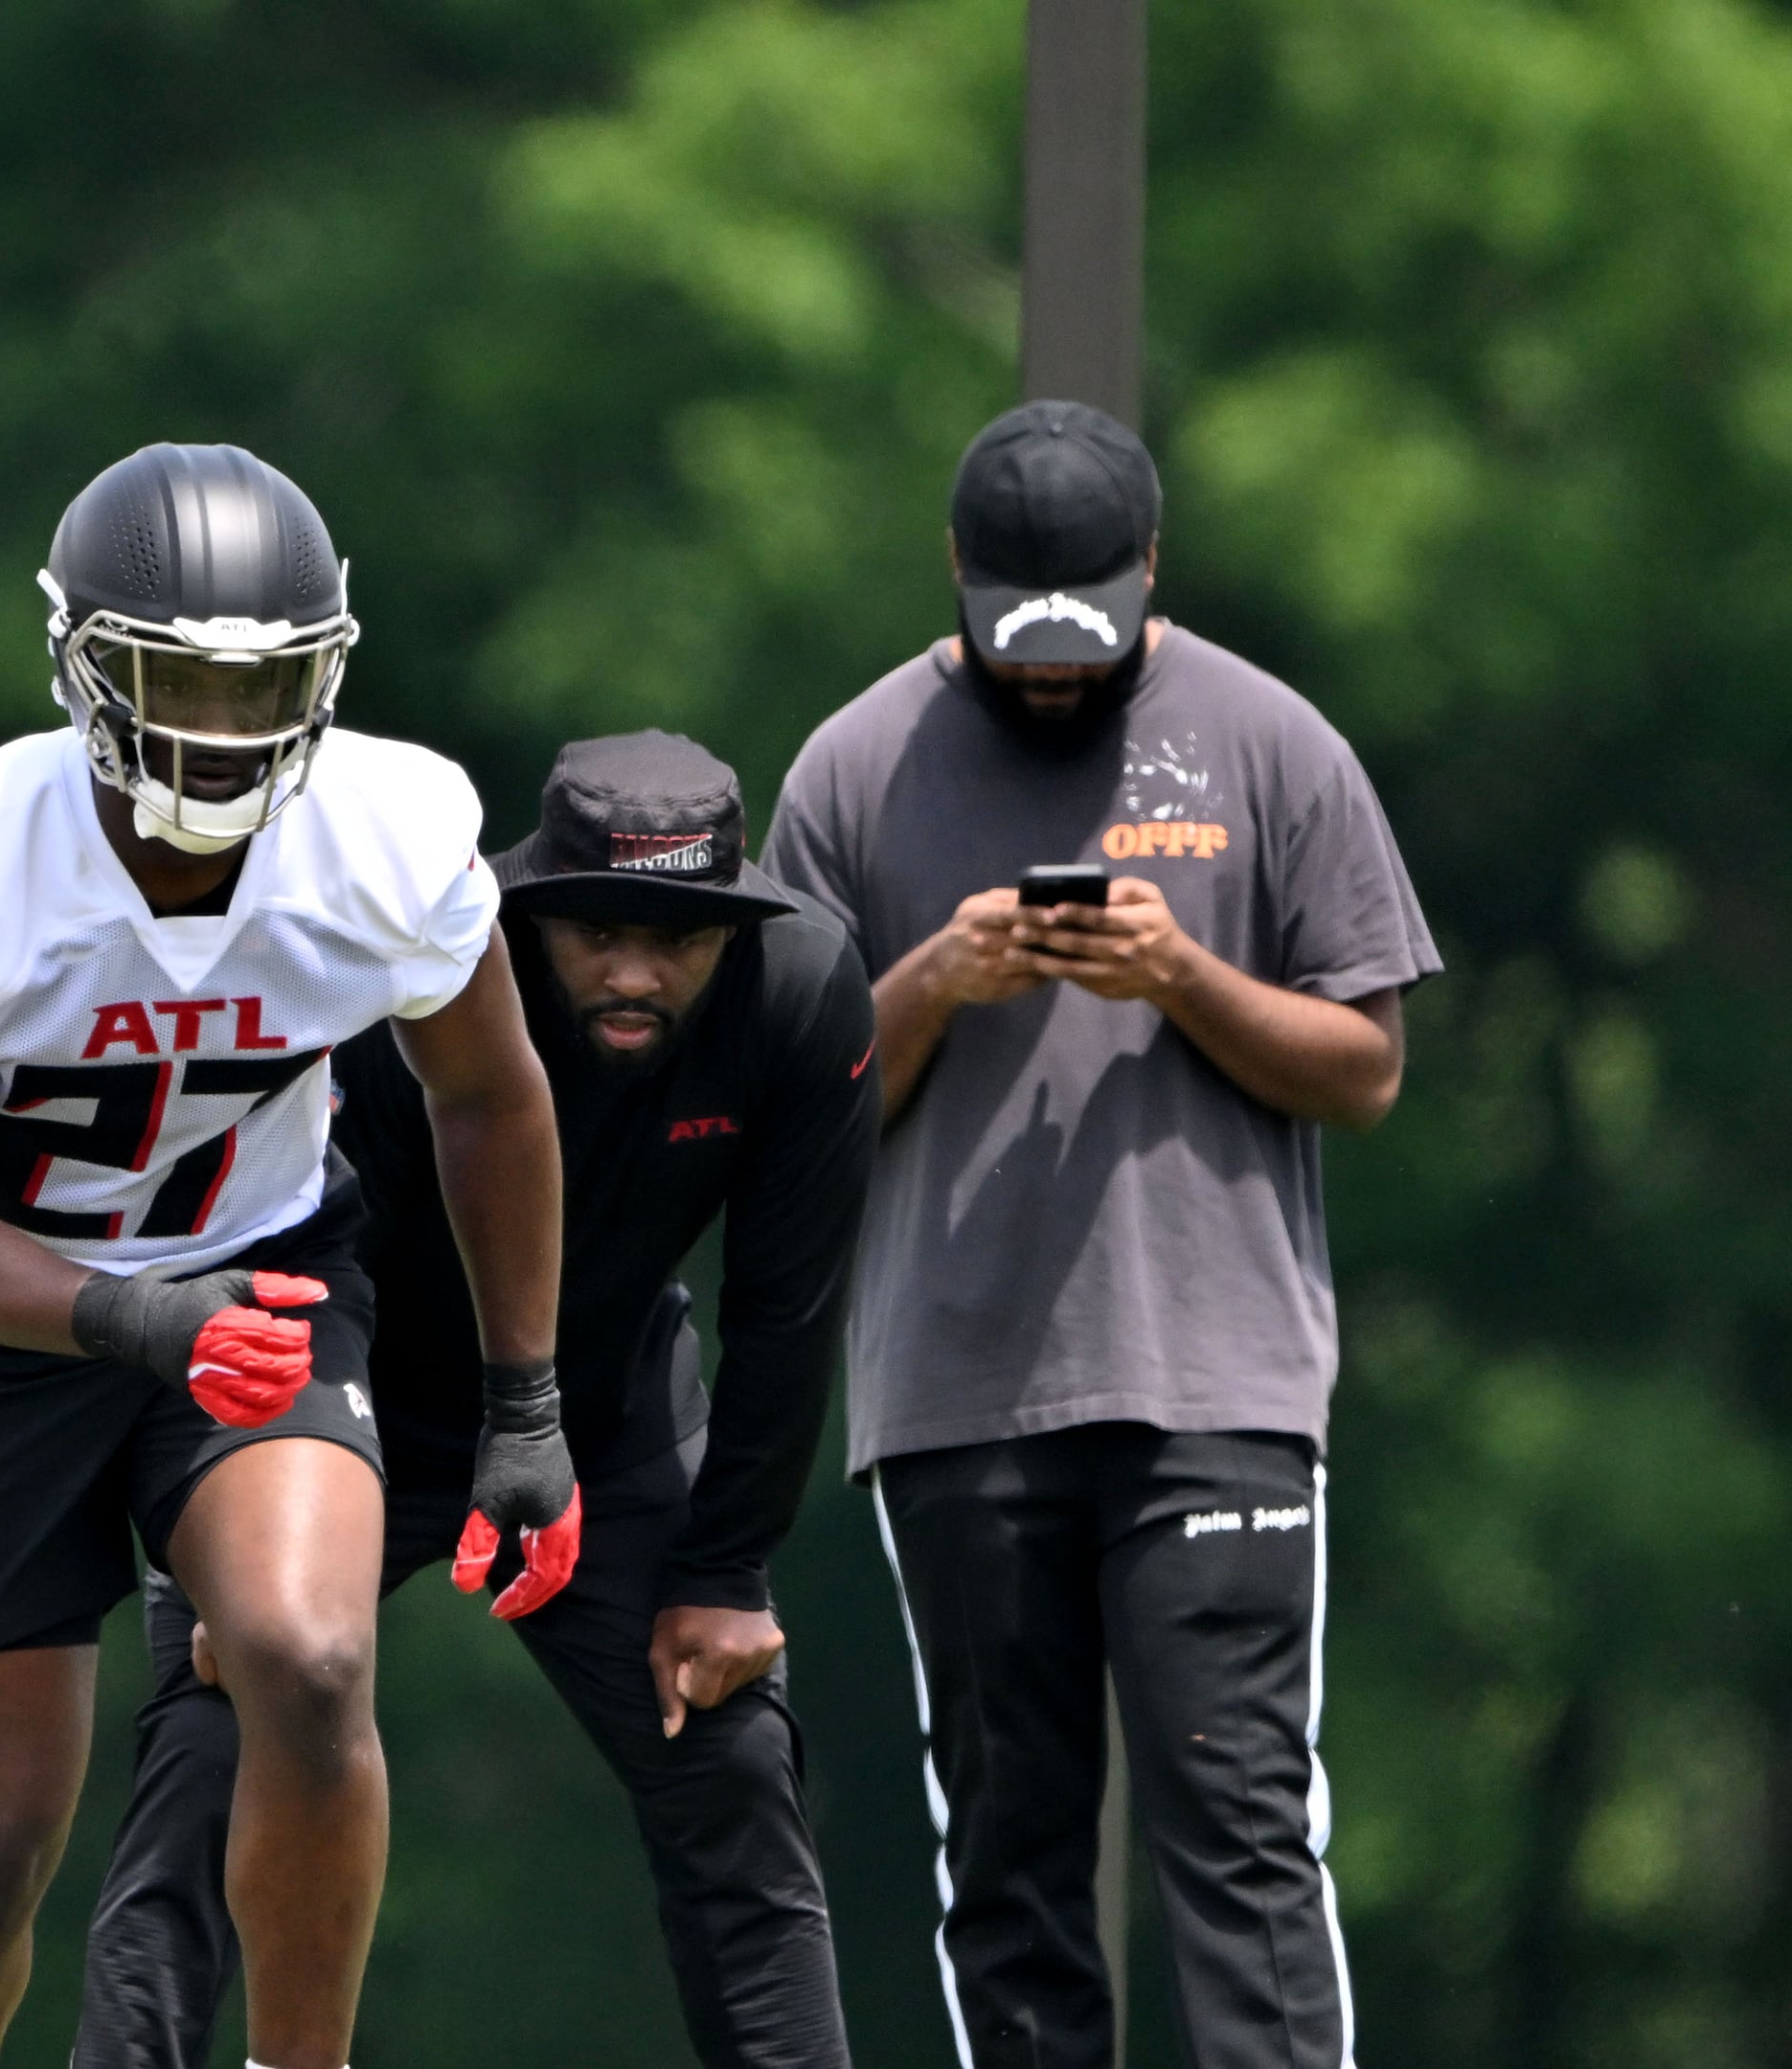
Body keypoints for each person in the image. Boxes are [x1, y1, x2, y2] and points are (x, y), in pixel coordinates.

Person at [0, 442, 567, 2069]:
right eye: (177, 683)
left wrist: (529, 1398)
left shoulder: (385, 831)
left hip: (261, 1279)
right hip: (5, 1328)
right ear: (83, 664)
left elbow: (491, 1098)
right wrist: (124, 1315)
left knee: (307, 1661)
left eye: (263, 692)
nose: (220, 735)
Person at [766, 399, 1439, 2069]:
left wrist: (1184, 979)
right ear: (956, 575)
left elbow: (1365, 1071)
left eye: (1087, 635)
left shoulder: (1275, 745)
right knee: (1009, 1852)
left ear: (1152, 569)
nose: (1054, 673)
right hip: (961, 1395)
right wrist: (929, 979)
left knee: (1241, 1828)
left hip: (1216, 1388)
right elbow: (787, 1114)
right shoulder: (855, 768)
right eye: (1019, 639)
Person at [76, 731, 882, 2069]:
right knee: (223, 1738)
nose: (637, 974)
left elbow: (787, 1307)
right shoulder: (419, 961)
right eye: (602, 935)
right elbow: (279, 1243)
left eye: (681, 942)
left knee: (735, 1765)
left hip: (605, 1419)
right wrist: (255, 1519)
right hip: (344, 1394)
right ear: (530, 914)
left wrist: (729, 1566)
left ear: (737, 929)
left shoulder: (802, 990)